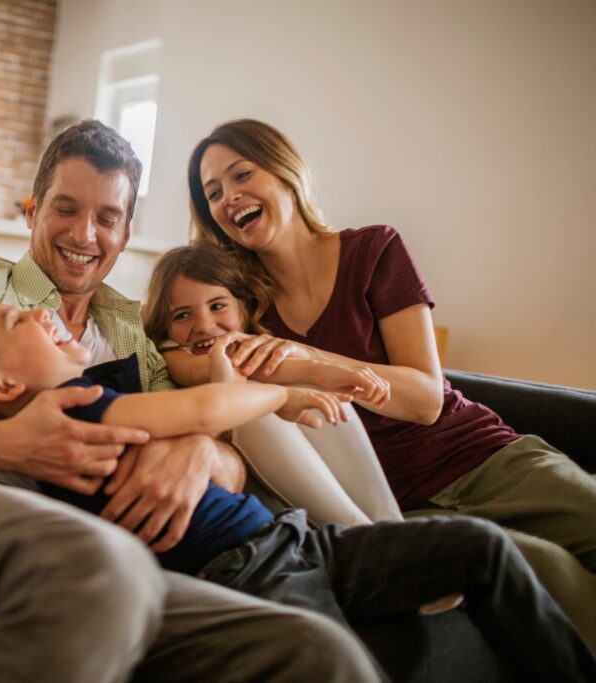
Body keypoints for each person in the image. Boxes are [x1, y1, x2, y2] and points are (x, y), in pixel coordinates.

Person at [0, 119, 384, 683]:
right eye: (66, 209)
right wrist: (5, 445)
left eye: (107, 217)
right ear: (33, 211)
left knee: (314, 650)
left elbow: (220, 450)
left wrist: (203, 454)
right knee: (98, 568)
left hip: (107, 548)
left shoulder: (133, 331)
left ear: (125, 233)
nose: (84, 235)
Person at [0, 300, 595, 681]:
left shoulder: (92, 397)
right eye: (16, 323)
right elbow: (208, 409)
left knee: (480, 547)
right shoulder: (74, 411)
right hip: (250, 570)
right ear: (3, 386)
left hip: (299, 543)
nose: (37, 312)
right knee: (340, 663)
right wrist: (286, 393)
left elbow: (206, 420)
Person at [186, 117, 596, 653]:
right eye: (213, 193)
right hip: (400, 504)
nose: (229, 198)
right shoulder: (241, 309)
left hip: (482, 459)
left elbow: (425, 399)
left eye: (242, 175)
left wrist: (312, 358)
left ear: (285, 171)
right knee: (554, 575)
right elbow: (186, 356)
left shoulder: (374, 250)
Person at [142, 240, 402, 528]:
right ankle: (355, 529)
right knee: (255, 404)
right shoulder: (174, 353)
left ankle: (388, 522)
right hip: (229, 457)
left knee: (312, 392)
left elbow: (264, 367)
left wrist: (319, 377)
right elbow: (232, 365)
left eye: (217, 306)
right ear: (165, 324)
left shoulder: (259, 343)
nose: (204, 325)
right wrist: (321, 370)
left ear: (243, 308)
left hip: (278, 457)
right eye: (182, 315)